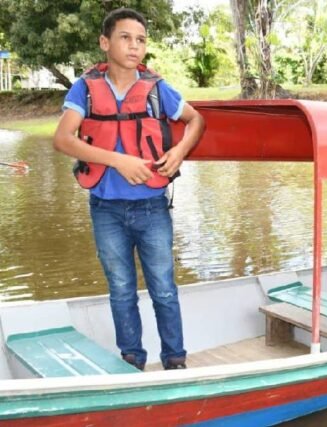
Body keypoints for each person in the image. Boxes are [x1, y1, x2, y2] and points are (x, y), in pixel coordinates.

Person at [52, 8, 205, 370]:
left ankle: (175, 361)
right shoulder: (85, 88)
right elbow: (62, 139)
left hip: (152, 208)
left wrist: (179, 152)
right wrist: (119, 161)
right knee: (121, 290)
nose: (134, 46)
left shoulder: (157, 89)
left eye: (140, 40)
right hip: (105, 209)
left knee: (164, 290)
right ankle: (132, 361)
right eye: (125, 37)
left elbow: (196, 119)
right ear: (105, 43)